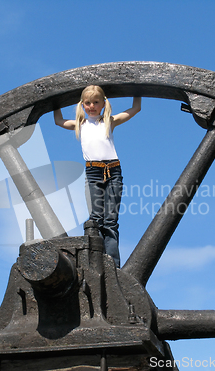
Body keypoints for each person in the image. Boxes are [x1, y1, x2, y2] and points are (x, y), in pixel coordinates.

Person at [54, 85, 141, 267]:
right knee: (96, 218)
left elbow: (135, 109)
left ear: (103, 103)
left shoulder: (109, 121)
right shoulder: (80, 125)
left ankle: (112, 264)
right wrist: (56, 100)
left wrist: (137, 91)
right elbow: (58, 120)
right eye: (88, 103)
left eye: (96, 102)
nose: (92, 106)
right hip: (93, 172)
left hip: (113, 170)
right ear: (82, 105)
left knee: (111, 220)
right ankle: (95, 260)